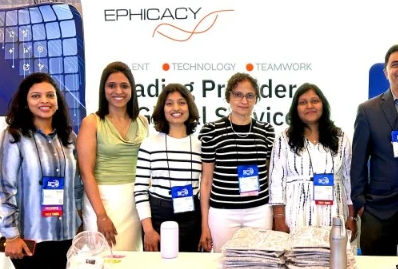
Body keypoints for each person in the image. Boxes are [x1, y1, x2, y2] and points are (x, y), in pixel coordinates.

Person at [0, 73, 82, 269]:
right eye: (36, 96)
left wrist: (80, 220)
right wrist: (11, 235)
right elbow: (5, 188)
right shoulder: (14, 136)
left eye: (49, 95)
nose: (44, 101)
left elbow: (77, 184)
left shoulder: (69, 137)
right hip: (29, 238)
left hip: (66, 235)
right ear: (25, 101)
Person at [351, 44, 398, 256]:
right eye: (395, 64)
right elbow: (358, 161)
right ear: (386, 72)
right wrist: (360, 202)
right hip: (378, 210)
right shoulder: (367, 110)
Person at [198, 73, 275, 252]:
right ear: (228, 97)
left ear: (256, 99)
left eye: (250, 95)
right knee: (224, 261)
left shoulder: (266, 131)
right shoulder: (211, 130)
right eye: (238, 94)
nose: (244, 100)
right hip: (222, 213)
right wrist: (204, 224)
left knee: (260, 261)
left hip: (259, 211)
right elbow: (206, 180)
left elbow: (269, 174)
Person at [77, 62, 148, 251]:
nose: (118, 91)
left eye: (124, 86)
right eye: (111, 85)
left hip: (135, 200)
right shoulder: (92, 122)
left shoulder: (142, 121)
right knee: (103, 256)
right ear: (103, 89)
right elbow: (86, 173)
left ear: (132, 89)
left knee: (132, 258)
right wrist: (101, 215)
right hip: (102, 200)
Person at [269, 83, 356, 238]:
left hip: (334, 210)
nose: (309, 106)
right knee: (297, 251)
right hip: (295, 211)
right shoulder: (284, 138)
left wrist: (351, 216)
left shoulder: (340, 137)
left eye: (314, 101)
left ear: (323, 104)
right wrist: (279, 218)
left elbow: (349, 178)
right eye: (303, 102)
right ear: (296, 108)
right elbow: (276, 180)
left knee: (332, 250)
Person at [134, 84, 203, 252]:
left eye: (182, 102)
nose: (176, 108)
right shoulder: (149, 143)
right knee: (158, 266)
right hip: (159, 216)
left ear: (189, 107)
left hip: (192, 216)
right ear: (162, 108)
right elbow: (140, 189)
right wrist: (148, 229)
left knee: (191, 265)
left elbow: (206, 186)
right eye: (169, 103)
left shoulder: (200, 144)